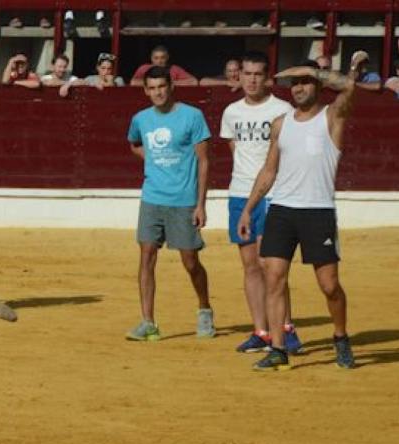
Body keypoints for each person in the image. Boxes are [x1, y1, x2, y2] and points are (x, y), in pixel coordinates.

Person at [238, 51, 370, 371]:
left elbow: (349, 89)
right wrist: (248, 210)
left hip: (318, 211)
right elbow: (269, 171)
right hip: (282, 209)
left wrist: (320, 72)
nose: (298, 88)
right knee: (274, 278)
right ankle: (278, 348)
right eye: (294, 83)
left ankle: (340, 336)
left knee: (328, 285)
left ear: (318, 85)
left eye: (305, 82)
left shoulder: (331, 116)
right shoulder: (281, 124)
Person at [219, 52, 302, 354]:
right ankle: (262, 331)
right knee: (250, 265)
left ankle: (287, 329)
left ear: (267, 78)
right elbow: (235, 150)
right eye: (247, 73)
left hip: (274, 194)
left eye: (258, 74)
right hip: (239, 191)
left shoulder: (283, 110)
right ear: (238, 76)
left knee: (272, 266)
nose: (252, 79)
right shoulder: (231, 113)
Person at [125, 65, 214, 341]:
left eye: (161, 87)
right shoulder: (140, 119)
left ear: (171, 87)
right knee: (146, 257)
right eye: (151, 88)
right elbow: (134, 144)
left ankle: (204, 309)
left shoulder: (192, 116)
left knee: (190, 261)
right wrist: (151, 159)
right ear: (145, 90)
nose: (157, 93)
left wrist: (201, 204)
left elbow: (204, 161)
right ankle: (148, 321)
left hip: (183, 200)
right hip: (152, 197)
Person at [130, 45, 197, 87]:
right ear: (151, 58)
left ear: (167, 58)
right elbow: (133, 82)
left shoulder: (174, 69)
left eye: (162, 58)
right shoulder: (144, 68)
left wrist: (170, 83)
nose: (159, 61)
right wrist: (154, 83)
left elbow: (194, 81)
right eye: (156, 58)